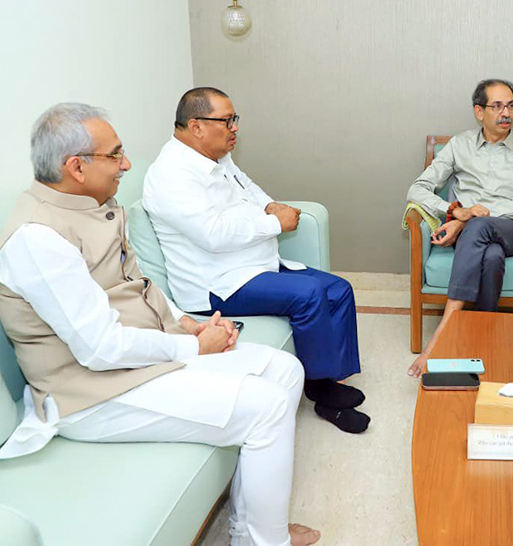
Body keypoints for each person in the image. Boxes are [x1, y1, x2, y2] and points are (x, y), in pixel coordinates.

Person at [0, 103, 320, 546]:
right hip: (91, 394)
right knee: (265, 407)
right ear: (76, 167)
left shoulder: (95, 205)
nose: (127, 164)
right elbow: (100, 350)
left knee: (286, 370)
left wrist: (185, 323)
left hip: (136, 360)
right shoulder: (38, 238)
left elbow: (136, 283)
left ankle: (250, 530)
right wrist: (196, 347)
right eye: (115, 155)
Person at [143, 88, 368, 434]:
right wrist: (275, 223)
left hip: (253, 268)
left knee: (338, 289)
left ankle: (329, 379)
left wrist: (269, 205)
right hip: (217, 285)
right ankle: (323, 396)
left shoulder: (216, 157)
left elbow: (245, 185)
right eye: (227, 120)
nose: (235, 128)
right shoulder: (171, 175)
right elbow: (212, 235)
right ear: (196, 126)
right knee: (309, 294)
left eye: (235, 119)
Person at [405, 79, 513, 377]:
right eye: (498, 106)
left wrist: (464, 220)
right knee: (491, 256)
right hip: (473, 234)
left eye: (511, 106)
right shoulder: (460, 145)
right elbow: (417, 189)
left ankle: (442, 335)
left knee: (480, 228)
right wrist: (454, 210)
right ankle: (481, 341)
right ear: (479, 111)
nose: (506, 113)